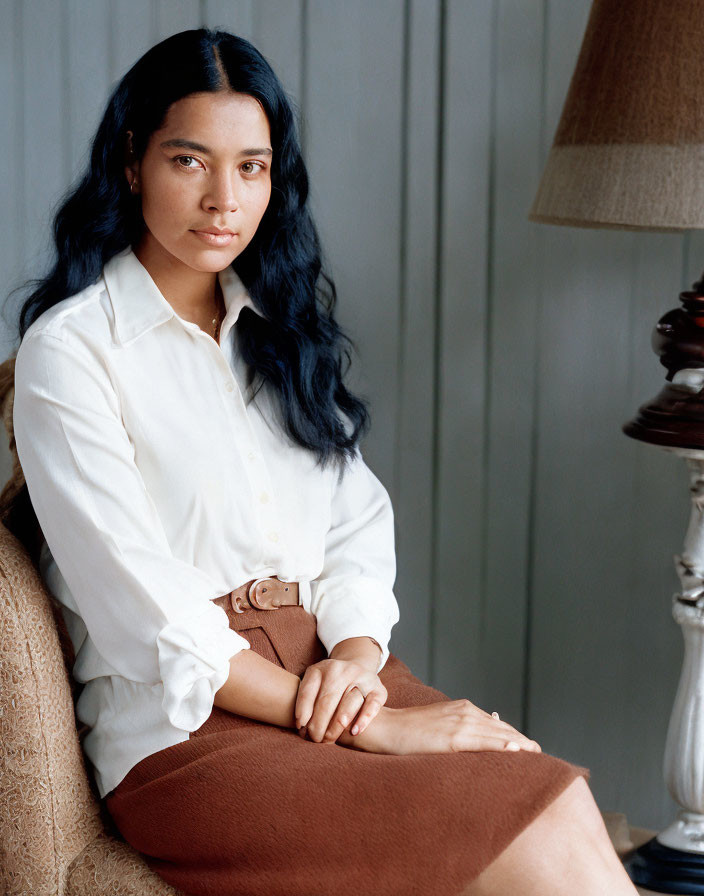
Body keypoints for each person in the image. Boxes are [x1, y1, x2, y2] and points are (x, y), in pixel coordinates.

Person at [9, 27, 639, 896]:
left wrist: (355, 656)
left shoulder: (277, 334)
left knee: (552, 795)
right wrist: (373, 729)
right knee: (531, 823)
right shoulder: (73, 352)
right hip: (189, 731)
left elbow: (354, 522)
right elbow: (139, 605)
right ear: (130, 161)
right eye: (190, 161)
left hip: (333, 677)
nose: (223, 200)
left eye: (252, 167)